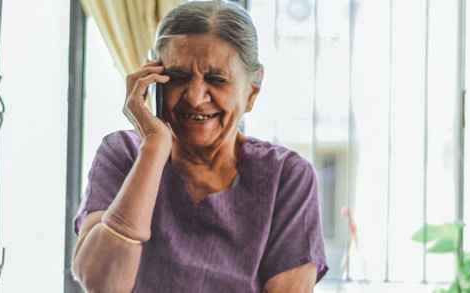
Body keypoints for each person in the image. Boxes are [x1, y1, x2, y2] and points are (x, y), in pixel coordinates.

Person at [71, 1, 328, 292]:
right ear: (153, 80)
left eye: (216, 80)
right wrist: (154, 149)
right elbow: (103, 284)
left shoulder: (286, 175)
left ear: (251, 92)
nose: (194, 97)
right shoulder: (124, 154)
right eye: (178, 78)